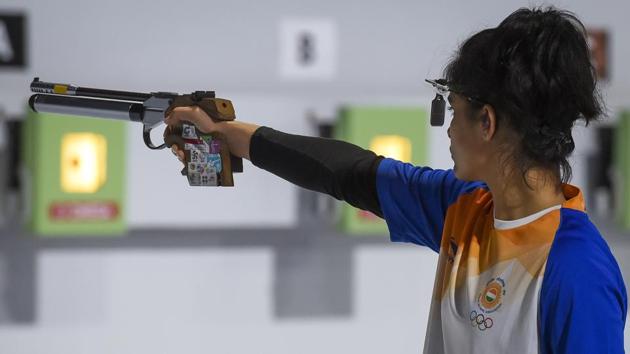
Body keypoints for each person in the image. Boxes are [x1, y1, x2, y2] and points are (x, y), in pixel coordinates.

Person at [164, 7, 627, 354]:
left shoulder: (576, 271)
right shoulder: (465, 207)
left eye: (454, 112)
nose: (448, 129)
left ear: (486, 122)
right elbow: (347, 171)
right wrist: (223, 134)